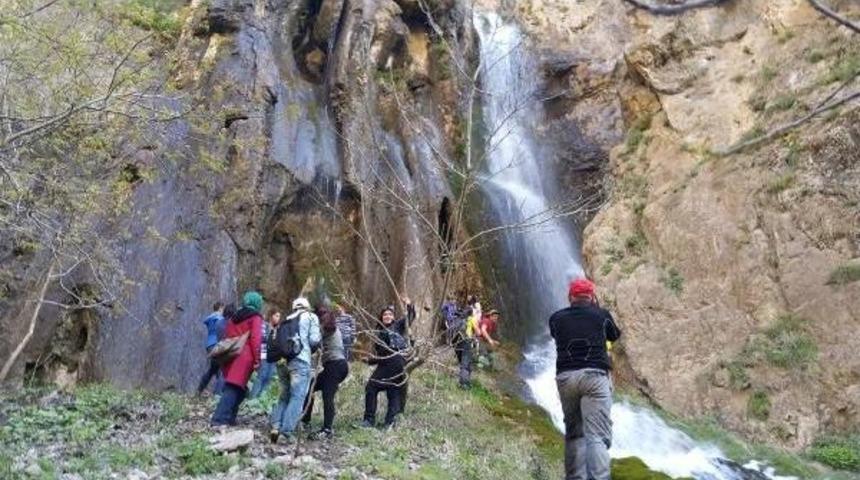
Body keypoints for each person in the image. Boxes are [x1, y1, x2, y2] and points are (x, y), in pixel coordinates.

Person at [550, 278, 621, 480]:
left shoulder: (556, 318)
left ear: (570, 297)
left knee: (574, 434)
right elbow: (614, 335)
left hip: (566, 378)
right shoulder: (602, 316)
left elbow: (556, 334)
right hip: (594, 377)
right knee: (596, 436)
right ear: (591, 296)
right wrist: (597, 309)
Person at [270, 297, 321, 443]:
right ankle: (286, 433)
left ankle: (275, 426)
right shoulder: (311, 317)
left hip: (282, 362)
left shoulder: (287, 319)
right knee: (297, 396)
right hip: (300, 360)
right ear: (307, 306)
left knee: (284, 395)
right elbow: (314, 340)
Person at [211, 292, 264, 426]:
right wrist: (257, 360)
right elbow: (255, 339)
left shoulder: (234, 316)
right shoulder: (255, 317)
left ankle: (230, 417)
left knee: (240, 390)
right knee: (233, 388)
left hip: (231, 354)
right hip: (244, 357)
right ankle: (218, 419)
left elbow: (227, 334)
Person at [361, 297, 415, 428]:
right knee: (393, 390)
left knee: (372, 387)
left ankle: (369, 420)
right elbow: (382, 353)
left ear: (393, 317)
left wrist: (409, 305)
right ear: (381, 317)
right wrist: (371, 360)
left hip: (395, 360)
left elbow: (410, 317)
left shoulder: (397, 326)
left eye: (390, 314)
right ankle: (389, 422)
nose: (387, 316)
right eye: (385, 314)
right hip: (391, 362)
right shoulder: (379, 331)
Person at [301, 307, 349, 439]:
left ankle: (327, 430)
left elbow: (313, 343)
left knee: (328, 397)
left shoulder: (327, 327)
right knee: (311, 387)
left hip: (335, 365)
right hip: (335, 366)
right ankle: (305, 421)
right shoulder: (331, 326)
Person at [248, 310, 282, 399]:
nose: (278, 318)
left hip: (274, 356)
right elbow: (262, 339)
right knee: (261, 376)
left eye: (279, 316)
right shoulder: (265, 325)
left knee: (269, 377)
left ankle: (261, 400)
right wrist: (262, 355)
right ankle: (252, 399)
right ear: (271, 316)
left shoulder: (278, 329)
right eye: (276, 315)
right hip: (265, 353)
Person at [197, 301, 226, 395]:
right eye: (223, 308)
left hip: (209, 345)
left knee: (213, 369)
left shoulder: (210, 318)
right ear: (220, 308)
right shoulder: (220, 319)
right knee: (221, 369)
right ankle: (218, 393)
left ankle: (200, 389)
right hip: (217, 344)